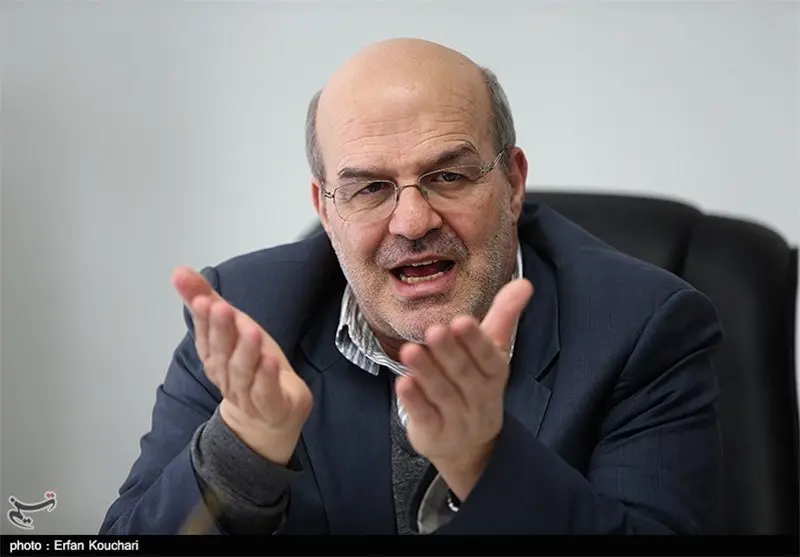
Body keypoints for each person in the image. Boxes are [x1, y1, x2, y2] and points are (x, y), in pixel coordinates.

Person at [100, 38, 723, 535]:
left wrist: (483, 462)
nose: (413, 221)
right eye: (370, 188)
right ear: (325, 209)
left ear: (512, 184)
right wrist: (241, 451)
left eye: (448, 176)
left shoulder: (642, 328)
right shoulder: (248, 317)